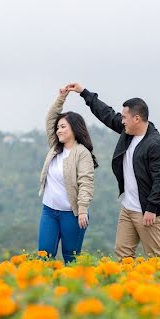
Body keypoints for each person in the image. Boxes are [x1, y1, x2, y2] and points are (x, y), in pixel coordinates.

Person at [63, 83, 160, 259]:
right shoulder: (127, 132)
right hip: (128, 207)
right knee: (123, 255)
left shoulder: (155, 144)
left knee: (155, 258)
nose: (121, 121)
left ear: (137, 119)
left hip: (148, 210)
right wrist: (84, 93)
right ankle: (127, 286)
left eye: (124, 117)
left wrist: (151, 209)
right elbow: (106, 114)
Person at [38, 86, 97, 263]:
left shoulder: (82, 153)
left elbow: (86, 182)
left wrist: (83, 211)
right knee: (44, 255)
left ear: (74, 128)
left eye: (63, 127)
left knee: (70, 258)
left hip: (72, 214)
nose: (58, 130)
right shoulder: (55, 147)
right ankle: (44, 289)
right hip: (49, 211)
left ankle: (70, 289)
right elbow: (50, 120)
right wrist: (61, 98)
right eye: (58, 128)